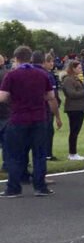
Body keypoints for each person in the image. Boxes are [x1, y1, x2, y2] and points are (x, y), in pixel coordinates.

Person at [0, 46, 56, 197]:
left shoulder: (11, 75)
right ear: (30, 58)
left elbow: (2, 97)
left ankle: (14, 187)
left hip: (19, 118)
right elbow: (50, 96)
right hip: (39, 117)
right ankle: (40, 186)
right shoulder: (41, 74)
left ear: (16, 58)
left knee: (15, 154)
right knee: (39, 154)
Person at [60, 60, 84, 160]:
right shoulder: (68, 80)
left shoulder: (75, 79)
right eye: (79, 68)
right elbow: (71, 94)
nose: (81, 69)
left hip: (79, 107)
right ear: (73, 68)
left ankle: (73, 152)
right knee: (74, 131)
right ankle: (72, 153)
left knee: (76, 130)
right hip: (74, 108)